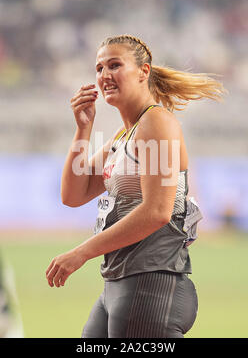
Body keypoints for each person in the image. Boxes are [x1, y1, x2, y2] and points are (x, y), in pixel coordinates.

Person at [46, 34, 226, 338]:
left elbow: (157, 212)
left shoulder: (157, 123)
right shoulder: (123, 136)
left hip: (152, 284)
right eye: (99, 68)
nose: (104, 75)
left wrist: (81, 253)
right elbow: (72, 195)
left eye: (115, 65)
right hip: (120, 283)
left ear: (143, 71)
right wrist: (83, 129)